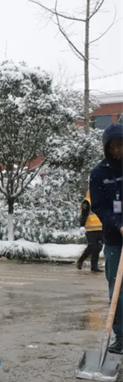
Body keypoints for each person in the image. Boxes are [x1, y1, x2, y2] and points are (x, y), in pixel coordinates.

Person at [89, 122, 123, 354]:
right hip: (114, 240)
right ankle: (121, 337)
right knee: (117, 291)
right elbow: (100, 206)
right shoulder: (99, 173)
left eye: (121, 146)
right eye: (113, 147)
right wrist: (118, 226)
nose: (117, 151)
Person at [76, 191, 103, 272]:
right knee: (93, 246)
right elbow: (83, 215)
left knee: (98, 247)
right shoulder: (87, 202)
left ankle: (94, 266)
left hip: (101, 228)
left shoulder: (100, 201)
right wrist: (82, 225)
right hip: (90, 229)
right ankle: (81, 260)